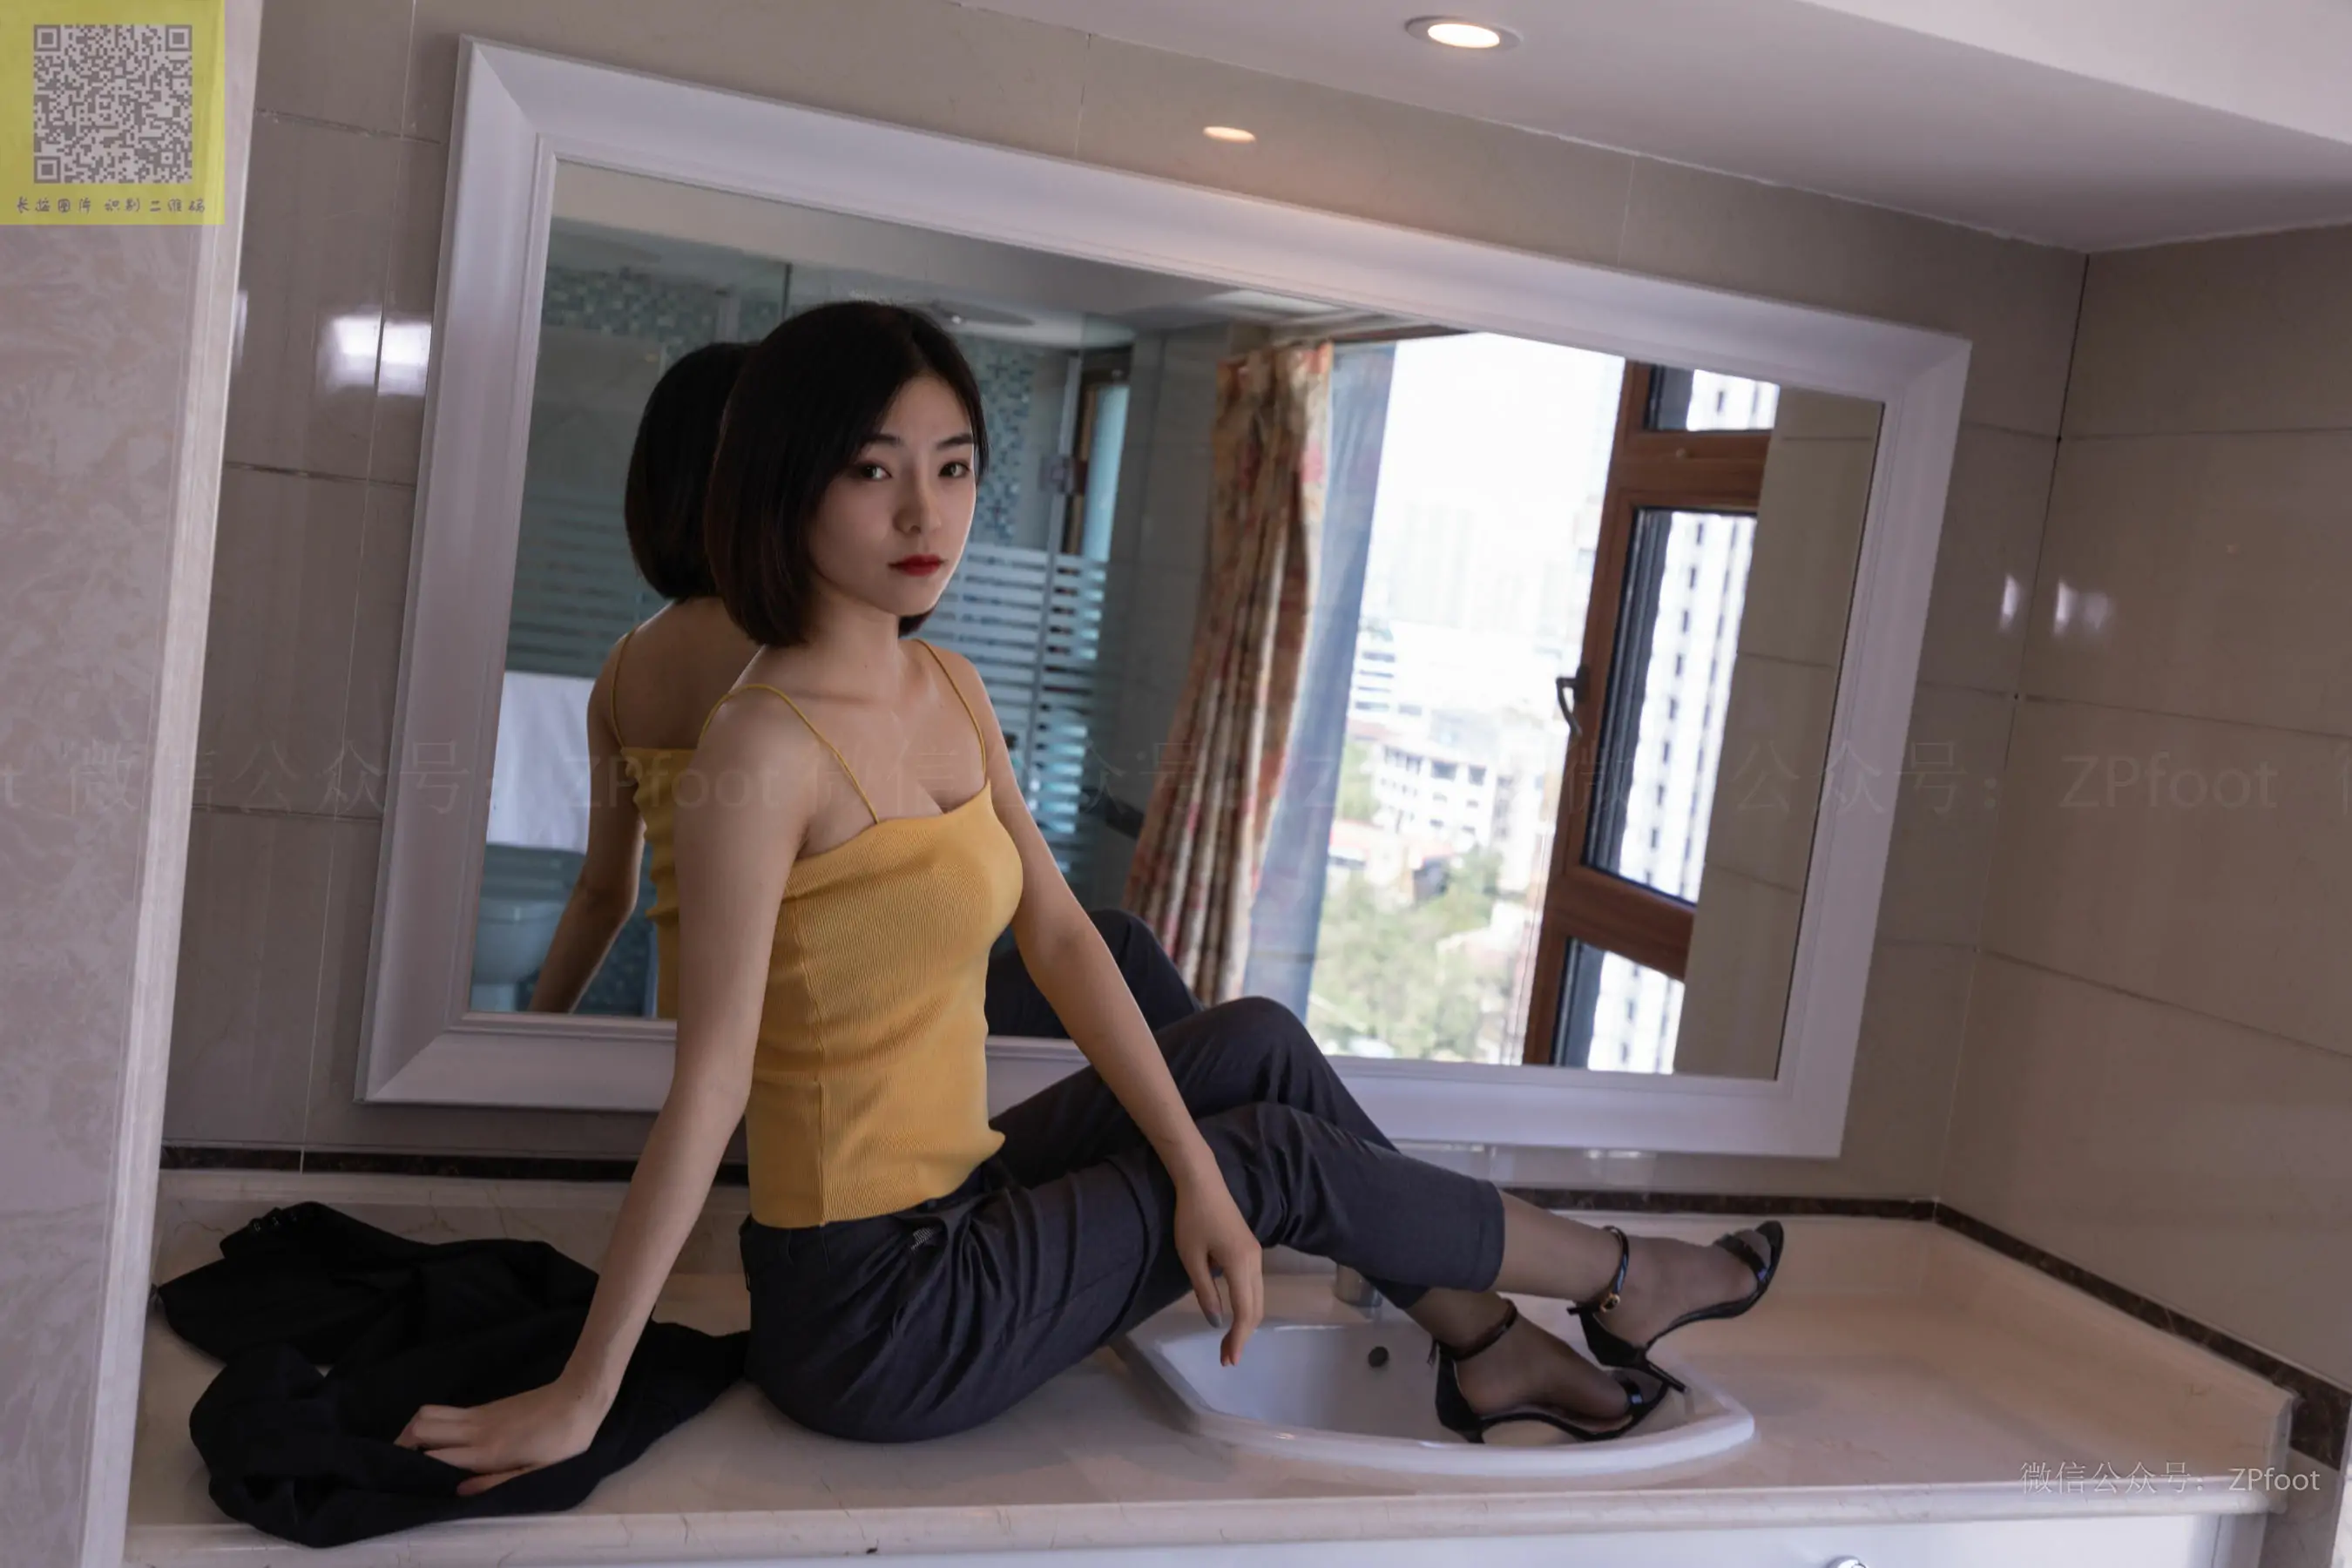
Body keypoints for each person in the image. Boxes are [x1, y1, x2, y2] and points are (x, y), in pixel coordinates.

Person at [400, 303, 1783, 1490]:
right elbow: (707, 1088)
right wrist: (586, 1391)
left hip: (965, 1205)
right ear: (782, 486)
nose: (925, 512)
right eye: (874, 471)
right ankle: (1617, 1276)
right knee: (1273, 1161)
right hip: (874, 1314)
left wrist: (1191, 1168)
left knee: (1250, 1044)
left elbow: (1061, 937)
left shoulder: (948, 687)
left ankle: (1488, 1343)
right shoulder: (757, 750)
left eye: (953, 466)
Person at [524, 339, 1198, 1035]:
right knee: (1127, 952)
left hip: (704, 1024)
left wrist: (530, 1039)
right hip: (855, 1035)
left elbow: (602, 895)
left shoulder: (625, 670)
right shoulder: (806, 661)